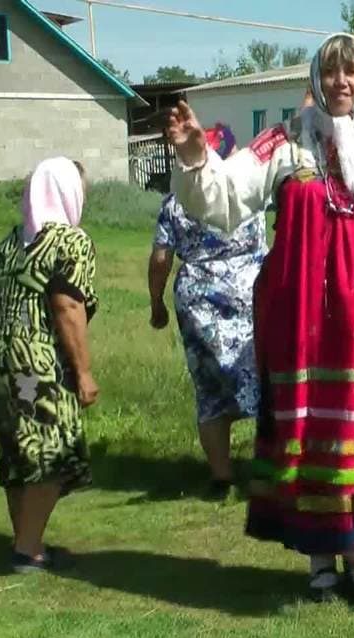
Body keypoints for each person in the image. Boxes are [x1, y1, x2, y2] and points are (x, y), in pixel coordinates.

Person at [166, 33, 354, 604]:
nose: (341, 83)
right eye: (331, 73)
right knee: (314, 430)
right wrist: (194, 155)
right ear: (316, 80)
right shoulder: (285, 143)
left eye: (351, 71)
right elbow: (225, 200)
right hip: (302, 320)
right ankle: (323, 558)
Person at [0, 157, 99, 574]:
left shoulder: (9, 244)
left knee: (17, 451)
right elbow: (66, 305)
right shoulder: (71, 241)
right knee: (51, 450)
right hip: (35, 361)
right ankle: (26, 552)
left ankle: (30, 543)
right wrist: (82, 372)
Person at [148, 123, 268, 496]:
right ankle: (267, 471)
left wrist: (156, 303)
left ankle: (222, 476)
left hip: (197, 301)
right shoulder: (248, 197)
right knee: (266, 383)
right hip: (252, 296)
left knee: (210, 391)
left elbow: (160, 258)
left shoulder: (175, 203)